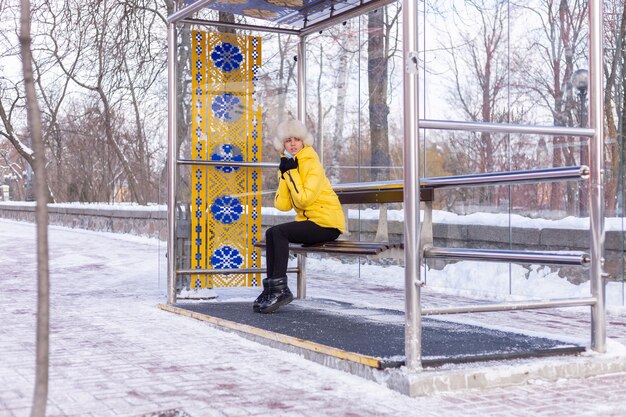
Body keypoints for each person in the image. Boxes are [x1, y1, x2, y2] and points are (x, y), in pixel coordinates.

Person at [254, 119, 345, 314]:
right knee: (271, 232)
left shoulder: (312, 164)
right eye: (288, 140)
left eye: (297, 139)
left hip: (327, 223)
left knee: (279, 232)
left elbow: (303, 200)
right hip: (310, 222)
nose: (293, 144)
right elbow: (282, 204)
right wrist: (285, 175)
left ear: (304, 142)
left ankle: (280, 290)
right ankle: (271, 288)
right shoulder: (289, 165)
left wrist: (292, 173)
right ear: (283, 145)